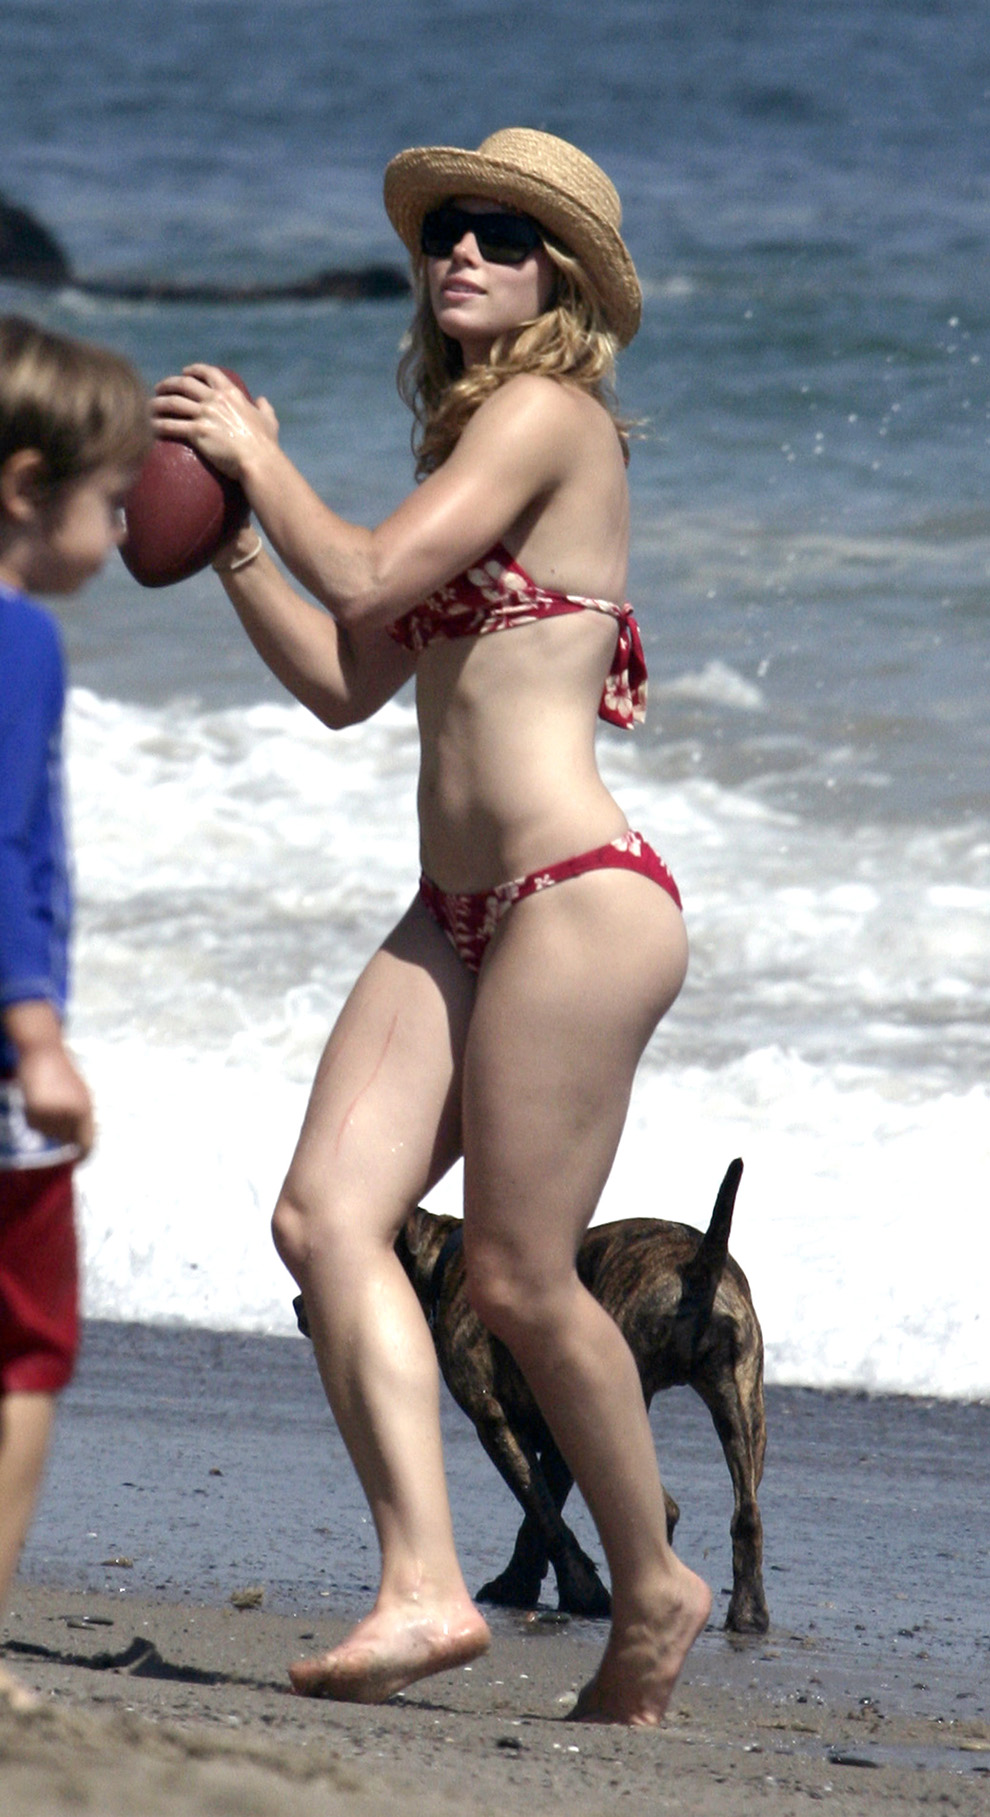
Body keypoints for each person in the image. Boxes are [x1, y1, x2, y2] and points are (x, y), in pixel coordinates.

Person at [152, 128, 711, 1726]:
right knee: (325, 1216)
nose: (460, 248)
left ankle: (652, 1581)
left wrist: (251, 456)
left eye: (501, 234)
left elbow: (366, 569)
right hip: (454, 913)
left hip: (573, 901)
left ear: (560, 281)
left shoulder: (548, 417)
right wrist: (231, 539)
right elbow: (347, 677)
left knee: (523, 1278)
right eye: (444, 228)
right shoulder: (467, 446)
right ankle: (421, 1584)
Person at [0, 315, 149, 1710]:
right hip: (1, 1065)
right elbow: (2, 849)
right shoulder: (19, 638)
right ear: (24, 488)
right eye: (110, 501)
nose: (123, 531)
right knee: (26, 1350)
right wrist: (36, 1033)